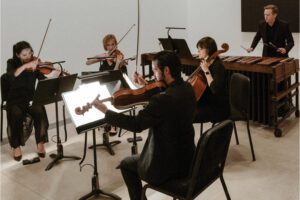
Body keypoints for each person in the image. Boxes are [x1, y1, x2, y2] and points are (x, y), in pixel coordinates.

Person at [92, 51, 196, 200]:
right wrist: (146, 86)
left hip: (168, 167)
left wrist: (106, 112)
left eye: (155, 70)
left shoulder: (161, 101)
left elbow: (135, 124)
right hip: (188, 159)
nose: (153, 75)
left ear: (166, 70)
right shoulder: (187, 88)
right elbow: (169, 99)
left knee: (126, 164)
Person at [5, 41, 61, 161]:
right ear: (17, 55)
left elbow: (43, 80)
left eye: (30, 53)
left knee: (39, 111)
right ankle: (16, 146)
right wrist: (27, 65)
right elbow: (12, 75)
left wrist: (55, 75)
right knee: (16, 114)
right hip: (15, 100)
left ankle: (40, 142)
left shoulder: (35, 65)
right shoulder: (11, 63)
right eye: (24, 55)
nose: (28, 57)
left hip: (30, 99)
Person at [86, 34, 128, 135]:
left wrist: (118, 63)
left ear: (116, 45)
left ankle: (114, 123)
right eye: (108, 45)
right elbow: (88, 62)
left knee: (112, 93)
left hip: (118, 85)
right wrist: (101, 56)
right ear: (105, 46)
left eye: (113, 44)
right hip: (105, 85)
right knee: (97, 93)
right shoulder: (105, 57)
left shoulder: (118, 56)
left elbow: (115, 75)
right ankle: (105, 120)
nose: (111, 47)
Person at [194, 37, 230, 123]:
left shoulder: (218, 66)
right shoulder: (205, 64)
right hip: (207, 101)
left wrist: (206, 71)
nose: (198, 51)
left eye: (201, 49)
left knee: (186, 116)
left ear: (209, 50)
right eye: (198, 49)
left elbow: (214, 89)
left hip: (218, 107)